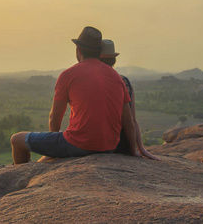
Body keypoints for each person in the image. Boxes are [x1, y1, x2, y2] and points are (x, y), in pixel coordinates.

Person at [10, 26, 140, 164]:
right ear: (99, 52)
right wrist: (133, 151)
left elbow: (54, 118)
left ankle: (22, 174)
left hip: (78, 145)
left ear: (78, 51)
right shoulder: (116, 77)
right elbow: (129, 122)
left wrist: (54, 149)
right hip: (109, 147)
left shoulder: (68, 75)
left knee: (17, 140)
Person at [99, 39, 161, 161]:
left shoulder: (92, 82)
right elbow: (132, 120)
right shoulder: (124, 82)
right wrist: (140, 149)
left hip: (99, 142)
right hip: (123, 145)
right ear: (114, 61)